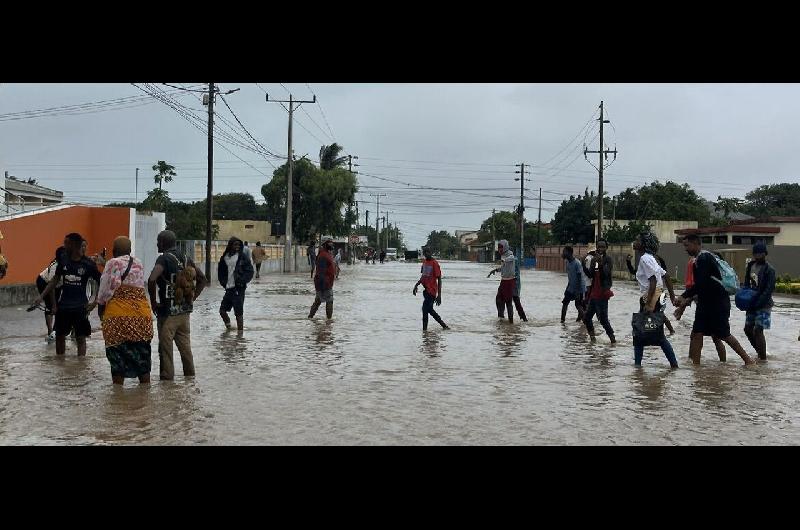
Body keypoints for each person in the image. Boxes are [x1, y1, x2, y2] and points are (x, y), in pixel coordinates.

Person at [674, 234, 754, 365]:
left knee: (723, 335)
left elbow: (701, 283)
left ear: (696, 244)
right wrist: (686, 300)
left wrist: (684, 296)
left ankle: (748, 360)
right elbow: (701, 286)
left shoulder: (704, 258)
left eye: (687, 245)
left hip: (717, 303)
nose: (685, 249)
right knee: (697, 333)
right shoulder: (698, 260)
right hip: (705, 303)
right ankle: (696, 366)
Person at [147, 230, 207, 380]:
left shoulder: (164, 259)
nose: (156, 244)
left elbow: (152, 279)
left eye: (158, 241)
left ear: (162, 243)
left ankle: (167, 383)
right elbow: (202, 279)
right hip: (184, 314)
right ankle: (190, 379)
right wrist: (192, 298)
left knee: (166, 351)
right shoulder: (187, 259)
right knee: (186, 349)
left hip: (168, 314)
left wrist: (154, 303)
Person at [97, 237, 153, 385]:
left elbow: (105, 290)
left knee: (117, 360)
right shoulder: (139, 263)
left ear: (114, 251)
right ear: (130, 251)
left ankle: (118, 398)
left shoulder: (112, 263)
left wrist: (100, 308)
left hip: (117, 317)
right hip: (142, 317)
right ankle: (145, 396)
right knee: (143, 360)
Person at [34, 233, 101, 356]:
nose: (64, 246)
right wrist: (41, 296)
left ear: (74, 245)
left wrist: (95, 302)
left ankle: (80, 367)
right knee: (60, 336)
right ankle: (61, 367)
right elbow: (55, 279)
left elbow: (100, 281)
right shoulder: (63, 261)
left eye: (66, 243)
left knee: (80, 338)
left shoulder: (88, 264)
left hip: (80, 307)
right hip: (63, 306)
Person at [629, 232, 679, 368]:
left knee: (641, 332)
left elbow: (652, 280)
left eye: (637, 239)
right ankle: (673, 365)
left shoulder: (645, 259)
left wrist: (648, 303)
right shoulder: (651, 258)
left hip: (650, 297)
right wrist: (673, 297)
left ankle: (638, 366)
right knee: (655, 332)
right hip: (658, 296)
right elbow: (666, 276)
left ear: (644, 244)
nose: (635, 241)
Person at [673, 249, 729, 360]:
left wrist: (682, 306)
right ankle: (717, 363)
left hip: (710, 306)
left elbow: (696, 290)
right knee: (705, 336)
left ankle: (694, 362)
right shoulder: (712, 273)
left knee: (701, 335)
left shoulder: (701, 267)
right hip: (710, 305)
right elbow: (696, 291)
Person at [626, 250, 676, 334]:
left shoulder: (648, 262)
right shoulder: (649, 266)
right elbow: (633, 272)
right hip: (657, 294)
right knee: (658, 315)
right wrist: (628, 262)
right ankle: (670, 332)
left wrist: (649, 302)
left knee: (645, 318)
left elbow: (660, 278)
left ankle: (643, 337)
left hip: (654, 294)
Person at [743, 241, 776, 361]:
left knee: (758, 330)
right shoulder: (750, 266)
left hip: (764, 304)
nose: (758, 256)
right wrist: (744, 298)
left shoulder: (769, 270)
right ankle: (759, 351)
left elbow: (768, 290)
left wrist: (757, 303)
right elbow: (747, 284)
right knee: (747, 329)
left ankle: (763, 359)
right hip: (751, 303)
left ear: (765, 254)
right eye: (756, 254)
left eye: (761, 254)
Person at [582, 239, 616, 343]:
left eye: (603, 247)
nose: (601, 249)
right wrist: (583, 265)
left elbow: (606, 273)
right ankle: (593, 339)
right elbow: (591, 275)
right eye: (599, 247)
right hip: (593, 293)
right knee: (587, 318)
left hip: (602, 293)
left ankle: (613, 340)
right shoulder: (593, 260)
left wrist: (600, 264)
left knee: (603, 319)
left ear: (606, 248)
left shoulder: (608, 259)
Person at [218, 236, 254, 331]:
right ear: (230, 245)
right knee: (222, 310)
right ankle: (229, 327)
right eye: (235, 244)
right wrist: (223, 283)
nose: (237, 246)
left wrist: (241, 281)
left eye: (239, 245)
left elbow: (250, 271)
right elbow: (220, 272)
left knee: (239, 313)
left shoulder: (243, 257)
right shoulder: (224, 258)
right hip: (229, 289)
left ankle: (240, 336)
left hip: (238, 289)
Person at [413, 246, 449, 330]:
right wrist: (416, 284)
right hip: (426, 291)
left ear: (431, 252)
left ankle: (427, 330)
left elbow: (439, 279)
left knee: (426, 309)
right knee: (427, 309)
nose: (426, 254)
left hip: (432, 291)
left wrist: (439, 295)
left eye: (428, 252)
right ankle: (431, 330)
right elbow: (423, 276)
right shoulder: (424, 262)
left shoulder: (435, 263)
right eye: (424, 253)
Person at [36, 246, 66, 343]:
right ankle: (50, 333)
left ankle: (56, 330)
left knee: (60, 306)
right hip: (44, 282)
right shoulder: (55, 267)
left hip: (58, 284)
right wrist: (53, 305)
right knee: (51, 307)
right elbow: (51, 287)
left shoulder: (68, 262)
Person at [487, 240, 516, 323]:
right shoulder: (503, 255)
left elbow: (512, 258)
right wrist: (496, 270)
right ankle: (501, 318)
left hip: (509, 281)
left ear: (505, 247)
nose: (499, 249)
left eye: (501, 247)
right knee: (498, 300)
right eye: (498, 247)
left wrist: (504, 260)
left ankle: (511, 322)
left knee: (508, 302)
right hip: (503, 281)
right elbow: (504, 267)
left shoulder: (510, 254)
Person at [309, 237, 337, 320]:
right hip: (324, 283)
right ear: (325, 244)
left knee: (318, 301)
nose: (331, 244)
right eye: (329, 242)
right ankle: (329, 321)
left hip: (325, 282)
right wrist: (325, 284)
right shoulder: (323, 255)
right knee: (329, 300)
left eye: (332, 242)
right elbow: (321, 272)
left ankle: (310, 317)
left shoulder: (327, 254)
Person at [561, 246, 586, 324]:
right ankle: (562, 321)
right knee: (565, 303)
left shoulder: (577, 263)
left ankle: (586, 321)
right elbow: (570, 277)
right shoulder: (567, 262)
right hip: (571, 287)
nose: (563, 254)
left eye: (564, 252)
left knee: (578, 305)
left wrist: (578, 292)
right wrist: (568, 287)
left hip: (579, 288)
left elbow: (579, 278)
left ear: (569, 253)